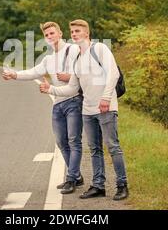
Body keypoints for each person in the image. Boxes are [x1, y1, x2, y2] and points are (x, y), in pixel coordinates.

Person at [40, 19, 129, 201]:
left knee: (112, 147)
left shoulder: (100, 49)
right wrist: (50, 89)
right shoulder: (78, 59)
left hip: (106, 107)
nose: (74, 34)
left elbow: (114, 73)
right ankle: (98, 185)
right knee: (94, 148)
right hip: (87, 110)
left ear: (86, 33)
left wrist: (105, 98)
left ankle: (122, 185)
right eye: (72, 31)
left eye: (78, 31)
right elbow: (72, 88)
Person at [2, 21, 84, 194]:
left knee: (73, 140)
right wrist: (14, 74)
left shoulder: (73, 50)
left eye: (52, 33)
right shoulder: (48, 59)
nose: (49, 37)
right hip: (57, 103)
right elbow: (33, 72)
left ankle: (71, 178)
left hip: (74, 100)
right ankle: (76, 175)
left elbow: (85, 70)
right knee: (61, 141)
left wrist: (70, 75)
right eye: (46, 35)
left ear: (60, 34)